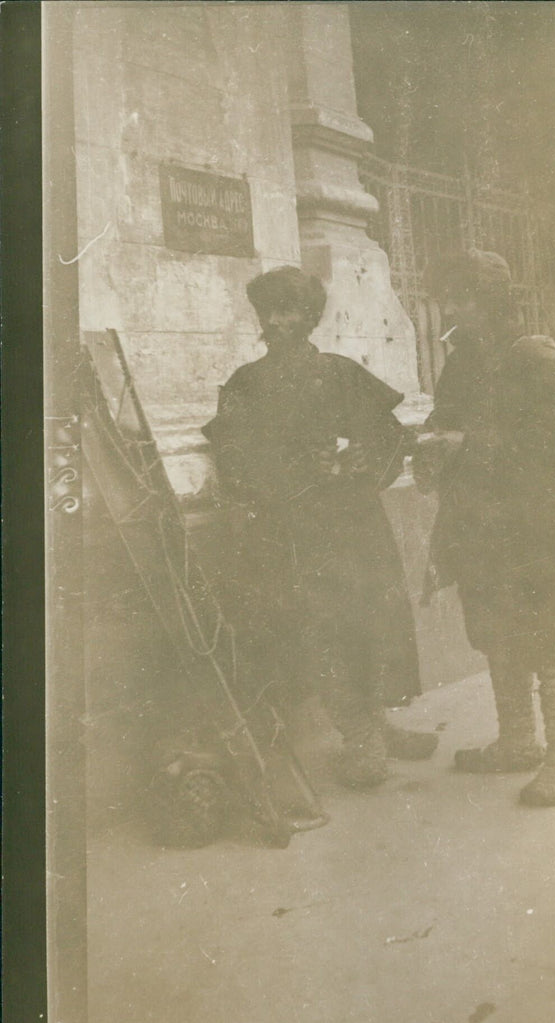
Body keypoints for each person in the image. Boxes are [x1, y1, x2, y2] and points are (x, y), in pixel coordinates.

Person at [202, 266, 437, 789]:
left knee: (372, 620)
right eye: (270, 311)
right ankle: (358, 736)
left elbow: (390, 440)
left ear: (310, 317)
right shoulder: (247, 384)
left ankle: (376, 723)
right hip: (294, 533)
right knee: (323, 628)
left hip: (354, 523)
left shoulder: (339, 372)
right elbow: (233, 460)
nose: (279, 321)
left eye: (290, 310)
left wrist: (357, 462)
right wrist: (288, 475)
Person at [414, 249, 555, 807]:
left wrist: (467, 444)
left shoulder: (534, 355)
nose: (451, 309)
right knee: (494, 631)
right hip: (480, 523)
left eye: (460, 298)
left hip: (535, 523)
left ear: (489, 301)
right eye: (447, 298)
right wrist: (430, 441)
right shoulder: (462, 358)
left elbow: (550, 442)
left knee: (546, 634)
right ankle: (517, 742)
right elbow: (445, 415)